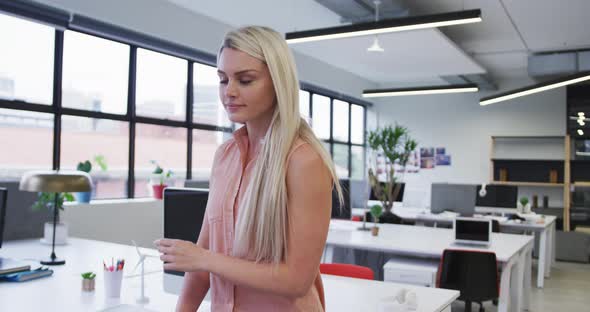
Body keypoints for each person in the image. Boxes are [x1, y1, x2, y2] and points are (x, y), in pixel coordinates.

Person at [155, 25, 342, 311]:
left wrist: (205, 258)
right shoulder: (225, 157)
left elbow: (296, 280)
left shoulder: (304, 160)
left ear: (278, 83)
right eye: (222, 79)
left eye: (245, 80)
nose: (229, 91)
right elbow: (202, 254)